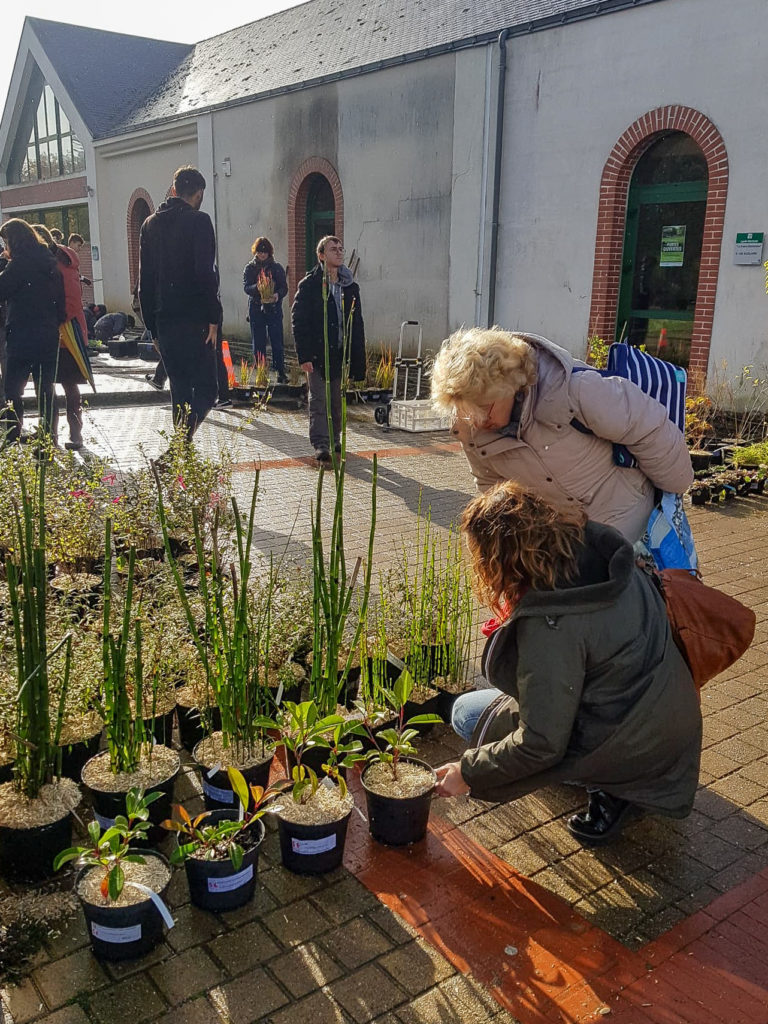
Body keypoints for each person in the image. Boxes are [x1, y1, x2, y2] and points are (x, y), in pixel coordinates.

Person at [434, 482, 702, 845]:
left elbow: (541, 743)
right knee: (507, 699)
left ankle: (614, 789)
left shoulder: (551, 624)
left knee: (466, 713)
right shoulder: (611, 564)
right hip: (670, 722)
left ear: (500, 560)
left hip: (633, 744)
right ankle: (622, 778)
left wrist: (465, 772)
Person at [430, 327, 693, 543]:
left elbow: (650, 428)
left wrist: (672, 494)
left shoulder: (576, 391)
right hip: (568, 543)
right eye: (466, 412)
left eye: (484, 409)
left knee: (648, 604)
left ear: (509, 386)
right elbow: (492, 487)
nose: (477, 421)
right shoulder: (468, 426)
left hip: (634, 528)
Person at [139, 165, 221, 442]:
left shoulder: (149, 224)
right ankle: (179, 448)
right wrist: (213, 318)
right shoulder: (199, 221)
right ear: (199, 193)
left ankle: (181, 457)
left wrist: (152, 329)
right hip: (195, 319)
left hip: (164, 321)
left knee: (180, 389)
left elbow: (145, 283)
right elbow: (205, 273)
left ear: (174, 190)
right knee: (209, 391)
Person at [291, 235, 365, 462]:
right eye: (333, 249)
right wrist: (304, 355)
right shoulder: (310, 285)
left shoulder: (349, 287)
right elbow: (298, 320)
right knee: (319, 399)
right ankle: (321, 443)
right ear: (321, 255)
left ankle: (335, 438)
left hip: (339, 353)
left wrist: (357, 360)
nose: (339, 252)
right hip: (317, 352)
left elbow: (357, 323)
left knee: (336, 398)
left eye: (341, 248)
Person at [0, 219, 66, 444]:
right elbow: (60, 300)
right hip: (47, 334)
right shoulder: (48, 259)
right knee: (46, 389)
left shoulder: (19, 264)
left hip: (21, 334)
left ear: (14, 241)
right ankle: (49, 438)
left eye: (5, 242)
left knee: (12, 390)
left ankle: (12, 434)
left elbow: (2, 289)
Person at [33, 225, 90, 450]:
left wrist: (53, 321)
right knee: (60, 386)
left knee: (65, 385)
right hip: (61, 331)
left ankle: (70, 434)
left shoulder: (60, 264)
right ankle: (59, 434)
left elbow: (71, 300)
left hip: (65, 334)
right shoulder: (62, 261)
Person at [243, 237, 288, 383]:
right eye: (260, 252)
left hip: (273, 308)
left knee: (277, 340)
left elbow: (284, 287)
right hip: (256, 308)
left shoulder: (276, 268)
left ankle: (280, 371)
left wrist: (276, 295)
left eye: (265, 252)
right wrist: (258, 288)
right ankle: (261, 373)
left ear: (269, 253)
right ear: (255, 252)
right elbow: (246, 287)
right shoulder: (250, 268)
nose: (262, 255)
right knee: (258, 341)